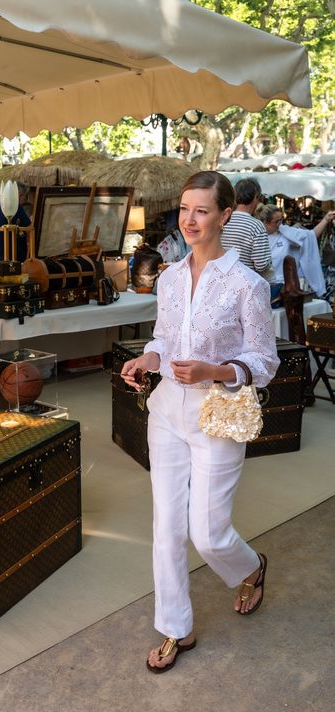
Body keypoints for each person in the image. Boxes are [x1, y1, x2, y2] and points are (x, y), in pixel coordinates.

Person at [121, 171, 279, 674]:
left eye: (201, 210)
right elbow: (164, 337)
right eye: (185, 209)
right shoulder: (167, 277)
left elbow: (265, 360)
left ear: (225, 215)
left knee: (208, 533)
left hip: (219, 412)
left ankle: (251, 569)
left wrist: (217, 370)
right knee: (166, 527)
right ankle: (175, 627)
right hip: (167, 411)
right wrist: (147, 359)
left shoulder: (247, 285)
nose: (189, 220)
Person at [255, 203, 334, 299]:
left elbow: (311, 236)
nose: (280, 224)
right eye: (276, 221)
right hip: (262, 288)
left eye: (281, 220)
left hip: (286, 289)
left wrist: (326, 219)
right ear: (264, 222)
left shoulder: (287, 233)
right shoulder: (256, 236)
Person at [221, 177, 272, 277]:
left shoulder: (223, 220)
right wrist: (269, 261)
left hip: (222, 280)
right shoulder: (256, 226)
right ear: (255, 197)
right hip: (246, 284)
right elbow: (261, 265)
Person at [0, 182, 31, 261]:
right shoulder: (16, 208)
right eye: (25, 196)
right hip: (15, 258)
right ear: (19, 194)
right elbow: (30, 229)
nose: (25, 199)